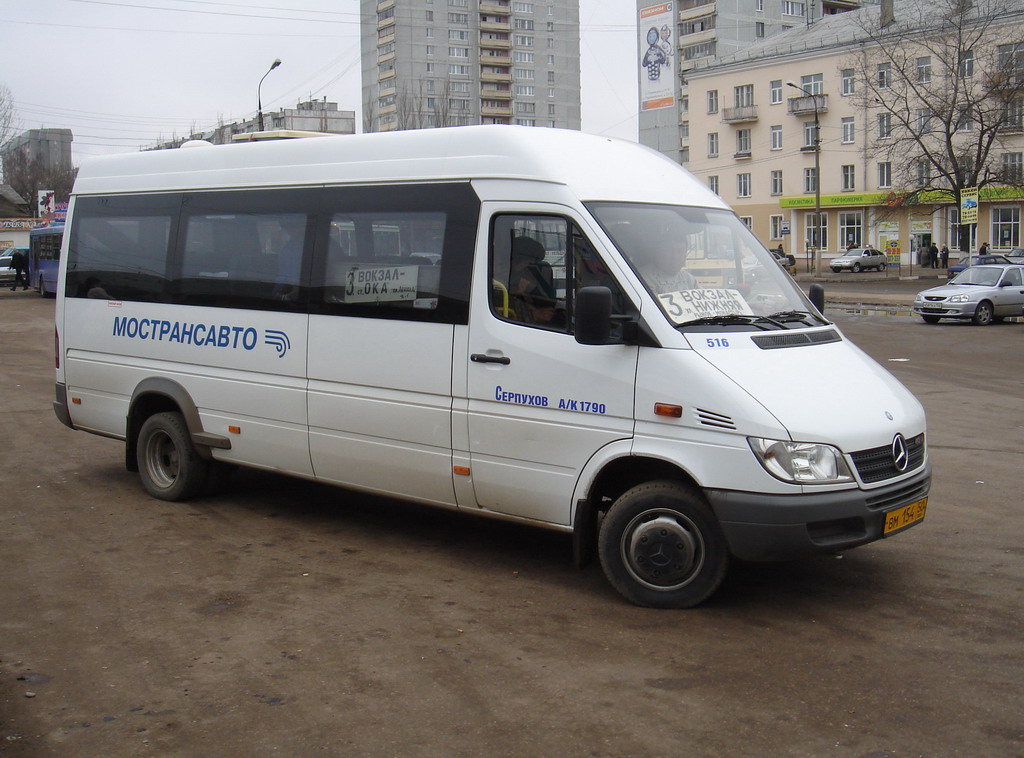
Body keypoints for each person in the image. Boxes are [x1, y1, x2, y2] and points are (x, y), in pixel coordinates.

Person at [508, 235, 558, 325]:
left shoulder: (533, 272)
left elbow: (548, 300)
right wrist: (535, 315)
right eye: (529, 260)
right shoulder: (501, 279)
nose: (530, 264)